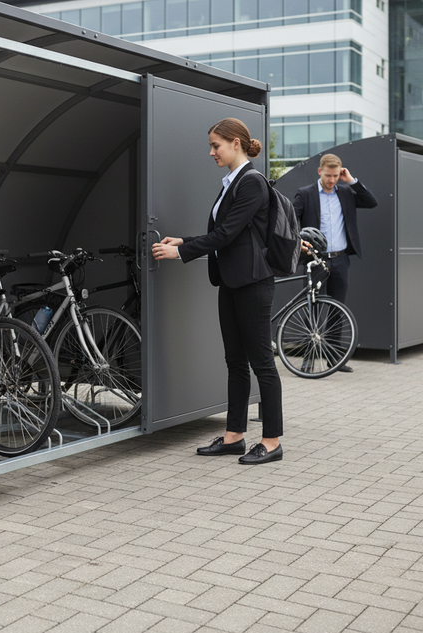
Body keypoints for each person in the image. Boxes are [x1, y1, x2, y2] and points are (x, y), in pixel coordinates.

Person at [152, 118, 283, 465]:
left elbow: (225, 235)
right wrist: (185, 240)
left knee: (262, 365)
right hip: (231, 282)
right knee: (235, 362)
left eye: (216, 145)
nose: (211, 152)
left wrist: (180, 252)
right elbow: (228, 234)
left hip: (253, 284)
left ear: (236, 143)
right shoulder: (232, 183)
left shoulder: (251, 183)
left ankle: (271, 441)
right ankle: (234, 436)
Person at [293, 153, 378, 372]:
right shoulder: (305, 194)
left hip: (340, 260)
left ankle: (333, 359)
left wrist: (351, 180)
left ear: (341, 173)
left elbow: (371, 202)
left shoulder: (347, 192)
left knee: (337, 309)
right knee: (311, 308)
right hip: (315, 260)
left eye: (336, 176)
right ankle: (309, 358)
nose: (332, 180)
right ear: (319, 172)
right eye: (328, 175)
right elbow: (291, 222)